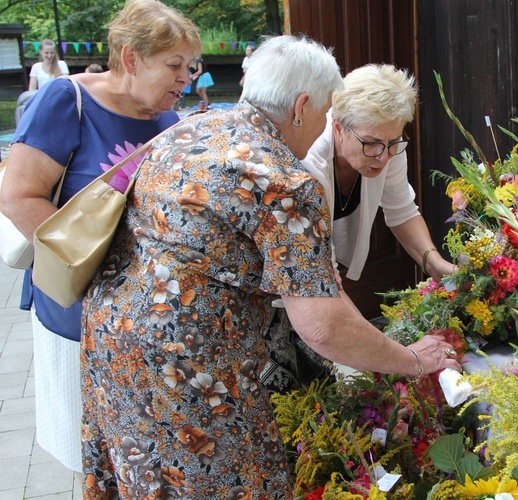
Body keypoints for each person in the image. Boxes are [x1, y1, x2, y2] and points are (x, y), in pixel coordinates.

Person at [79, 34, 461, 498]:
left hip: (113, 346)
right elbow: (323, 325)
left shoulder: (191, 128)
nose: (325, 125)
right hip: (190, 369)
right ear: (302, 106)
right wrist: (412, 359)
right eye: (324, 112)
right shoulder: (283, 180)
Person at [0, 0, 201, 476]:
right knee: (90, 452)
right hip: (78, 308)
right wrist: (97, 274)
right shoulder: (67, 100)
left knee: (140, 456)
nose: (186, 78)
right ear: (131, 58)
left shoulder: (170, 122)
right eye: (174, 65)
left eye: (189, 67)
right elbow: (18, 196)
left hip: (141, 320)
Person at [303, 63, 455, 282]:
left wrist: (437, 267)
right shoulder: (309, 158)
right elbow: (321, 272)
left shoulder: (388, 146)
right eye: (370, 143)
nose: (383, 157)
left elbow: (401, 211)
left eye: (393, 141)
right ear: (338, 129)